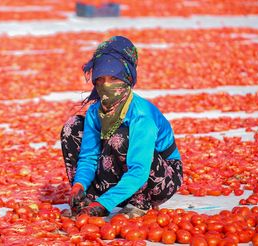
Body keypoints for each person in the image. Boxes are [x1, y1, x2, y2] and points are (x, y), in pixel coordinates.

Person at [60, 36, 183, 218]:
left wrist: (105, 204)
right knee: (73, 127)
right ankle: (89, 197)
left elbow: (140, 169)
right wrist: (79, 185)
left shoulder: (142, 115)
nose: (106, 85)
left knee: (120, 138)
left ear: (126, 78)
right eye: (101, 79)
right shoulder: (96, 112)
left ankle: (140, 201)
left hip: (158, 178)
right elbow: (89, 156)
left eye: (113, 78)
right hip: (118, 171)